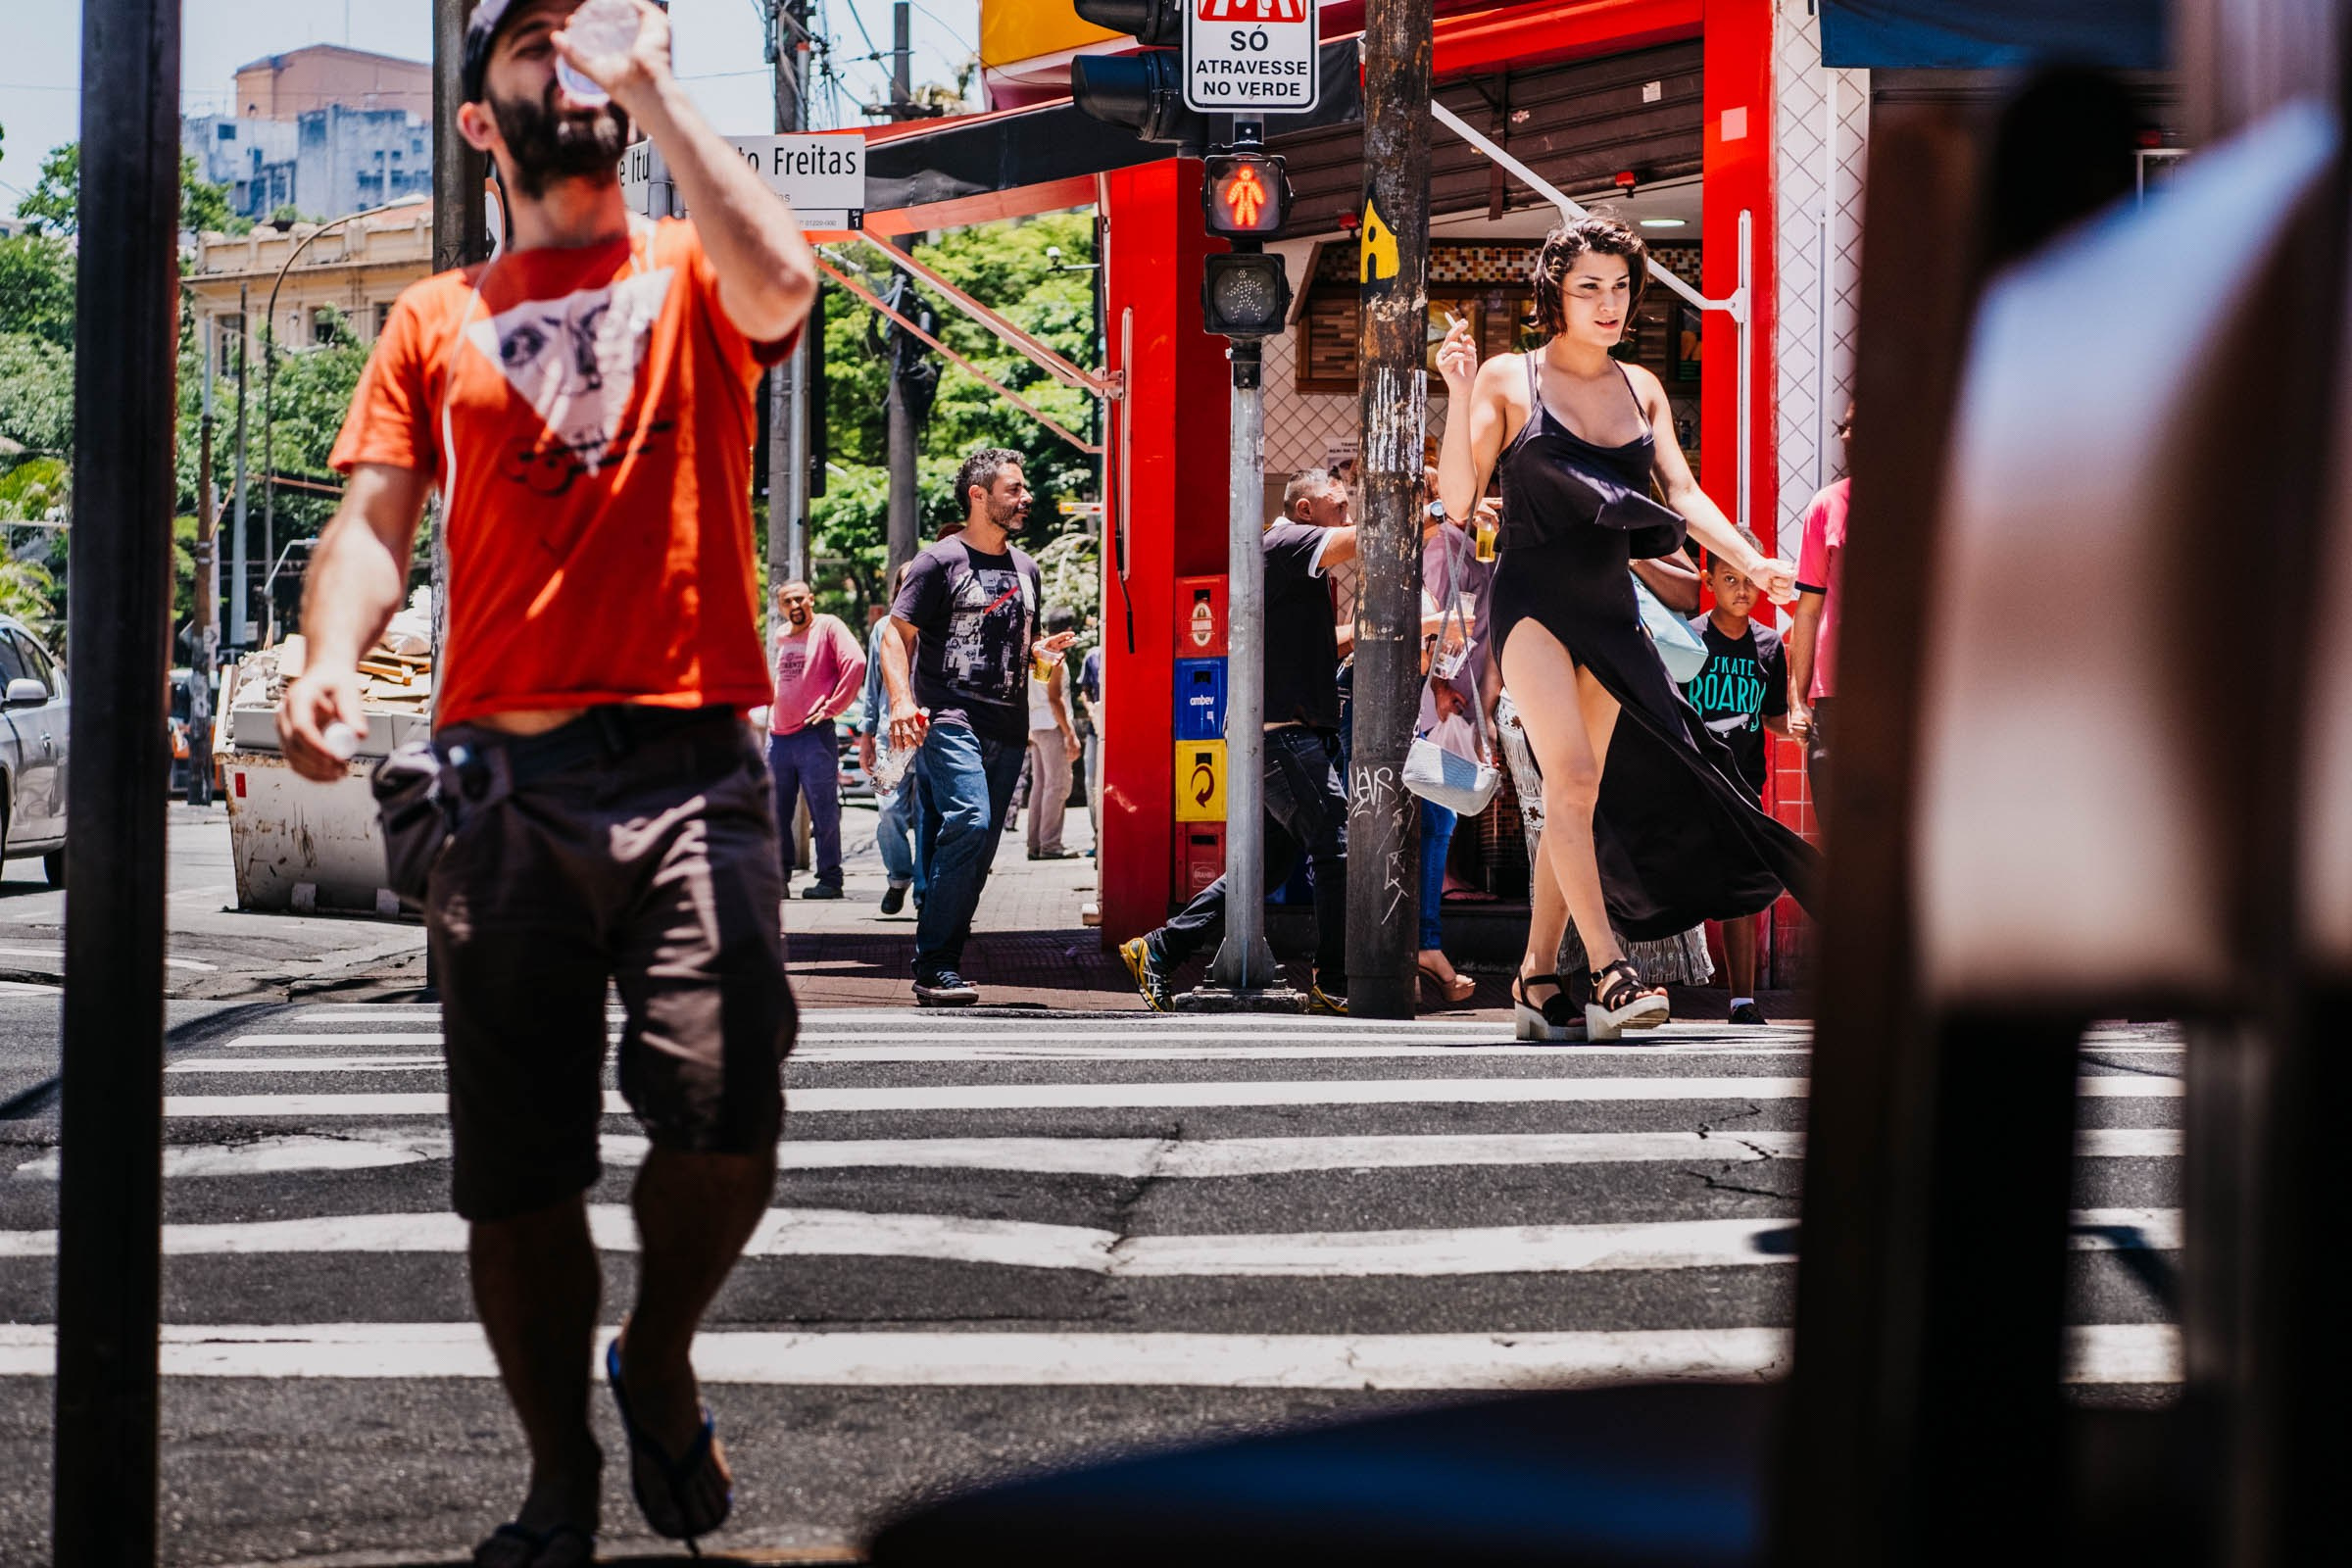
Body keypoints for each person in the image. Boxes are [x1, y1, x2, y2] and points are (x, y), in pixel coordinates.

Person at [274, 3, 816, 1563]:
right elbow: (375, 524)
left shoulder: (693, 266)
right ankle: (559, 1478)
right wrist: (330, 652)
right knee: (514, 1174)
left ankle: (656, 1355)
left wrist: (658, 88)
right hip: (499, 784)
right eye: (537, 49)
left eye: (594, 45)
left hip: (693, 761)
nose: (570, 65)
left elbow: (785, 282)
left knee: (724, 1112)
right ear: (479, 121)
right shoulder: (434, 317)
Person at [1437, 214, 1819, 1042]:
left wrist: (1751, 566)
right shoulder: (1511, 378)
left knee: (1576, 796)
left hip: (1614, 609)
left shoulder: (1642, 387)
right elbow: (1462, 503)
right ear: (1556, 297)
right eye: (1589, 288)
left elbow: (1682, 496)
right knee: (1571, 776)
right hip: (1532, 602)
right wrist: (1459, 390)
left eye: (1620, 287)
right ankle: (1611, 974)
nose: (1608, 304)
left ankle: (1536, 982)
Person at [1121, 467, 1416, 1015]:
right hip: (1282, 737)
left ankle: (1161, 947)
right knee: (1338, 846)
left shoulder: (1285, 562)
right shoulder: (1285, 541)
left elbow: (1320, 641)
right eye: (1339, 505)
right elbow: (1371, 541)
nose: (1347, 517)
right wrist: (1435, 510)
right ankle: (1333, 981)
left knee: (1266, 867)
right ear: (1306, 511)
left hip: (1285, 735)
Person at [878, 447, 1075, 1005]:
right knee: (970, 820)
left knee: (980, 846)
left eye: (1024, 488)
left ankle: (942, 961)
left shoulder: (1027, 568)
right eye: (1013, 489)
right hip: (948, 719)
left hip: (1008, 727)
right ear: (978, 496)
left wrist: (1041, 654)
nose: (1025, 498)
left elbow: (1014, 647)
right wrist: (900, 701)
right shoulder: (938, 563)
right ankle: (934, 961)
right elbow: (897, 635)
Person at [1683, 528, 1794, 1024]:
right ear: (1709, 581)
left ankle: (1743, 1000)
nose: (1742, 590)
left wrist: (1802, 726)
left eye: (1749, 579)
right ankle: (1654, 985)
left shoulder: (1770, 647)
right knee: (1673, 880)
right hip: (1689, 781)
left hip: (1744, 786)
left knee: (1739, 889)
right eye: (1730, 578)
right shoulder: (1688, 639)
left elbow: (1772, 718)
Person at [764, 579, 863, 901]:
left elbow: (856, 663)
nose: (794, 606)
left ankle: (830, 880)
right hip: (778, 738)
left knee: (823, 810)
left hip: (813, 736)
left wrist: (833, 706)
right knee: (776, 812)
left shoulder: (828, 626)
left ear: (810, 599)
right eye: (786, 602)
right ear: (781, 607)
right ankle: (778, 879)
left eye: (798, 599)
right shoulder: (781, 636)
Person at [1789, 404, 1851, 833]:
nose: (1847, 436)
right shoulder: (1827, 506)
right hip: (1832, 700)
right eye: (1844, 426)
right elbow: (1807, 611)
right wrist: (1797, 701)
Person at [858, 565, 920, 914]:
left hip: (930, 737)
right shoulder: (883, 628)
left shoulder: (937, 626)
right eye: (903, 583)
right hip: (890, 740)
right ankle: (898, 878)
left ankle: (925, 891)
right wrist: (866, 735)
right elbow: (872, 686)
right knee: (888, 810)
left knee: (929, 817)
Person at [1025, 605, 1084, 860]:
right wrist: (1070, 733)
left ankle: (1036, 844)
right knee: (1058, 785)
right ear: (1068, 632)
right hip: (1051, 725)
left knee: (1040, 786)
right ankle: (1050, 845)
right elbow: (1055, 699)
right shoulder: (1055, 658)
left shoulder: (1039, 654)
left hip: (1035, 725)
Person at [1078, 638, 1105, 854]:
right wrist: (1090, 710)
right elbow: (1084, 690)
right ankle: (1097, 837)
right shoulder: (1092, 656)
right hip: (1095, 730)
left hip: (1119, 730)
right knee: (1091, 784)